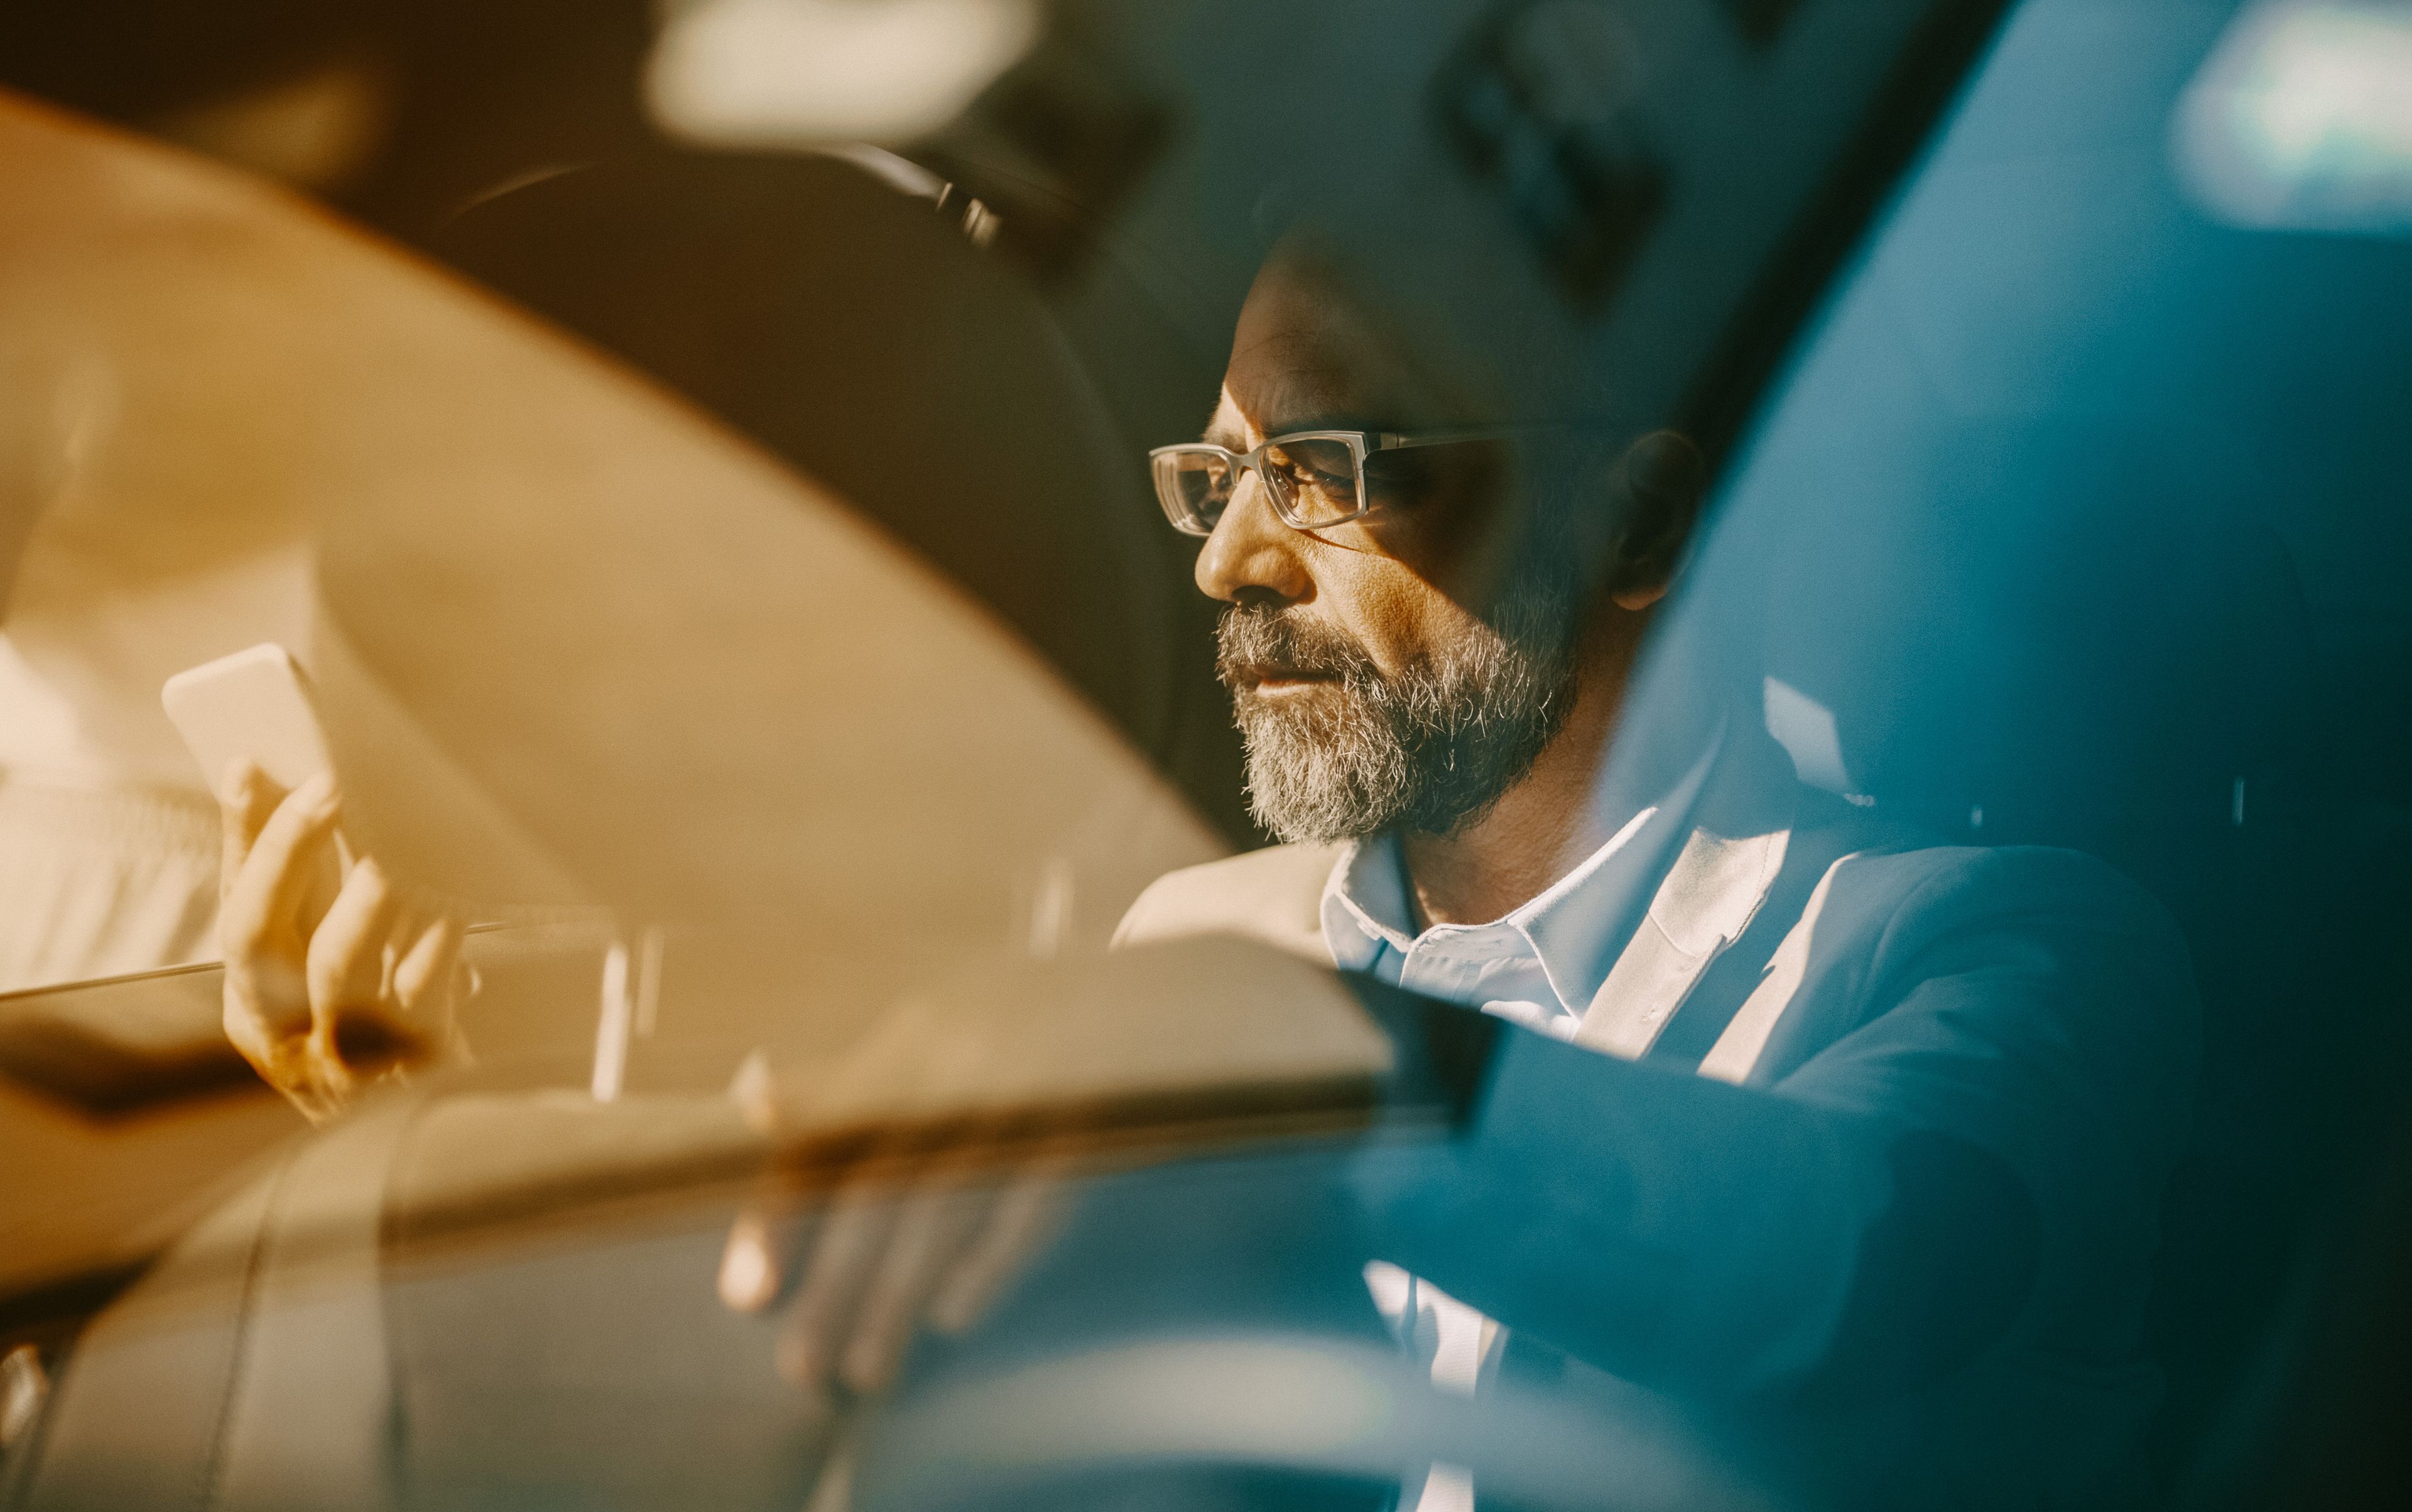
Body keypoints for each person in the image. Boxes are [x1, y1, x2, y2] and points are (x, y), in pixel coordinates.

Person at [214, 227, 2197, 1508]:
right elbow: (874, 1355)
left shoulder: (2000, 948)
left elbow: (1837, 1272)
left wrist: (1315, 1064)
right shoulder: (1199, 937)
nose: (1223, 563)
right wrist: (461, 1132)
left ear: (1639, 512)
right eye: (1211, 477)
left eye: (1326, 471)